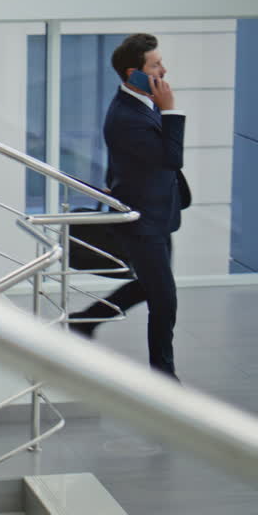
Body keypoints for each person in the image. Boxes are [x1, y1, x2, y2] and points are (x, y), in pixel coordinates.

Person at [69, 33, 190, 380]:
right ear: (132, 73)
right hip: (143, 222)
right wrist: (171, 112)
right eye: (155, 65)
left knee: (149, 286)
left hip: (159, 214)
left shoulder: (139, 104)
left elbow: (125, 158)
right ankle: (163, 375)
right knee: (164, 299)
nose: (164, 71)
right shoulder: (127, 115)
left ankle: (85, 320)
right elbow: (171, 159)